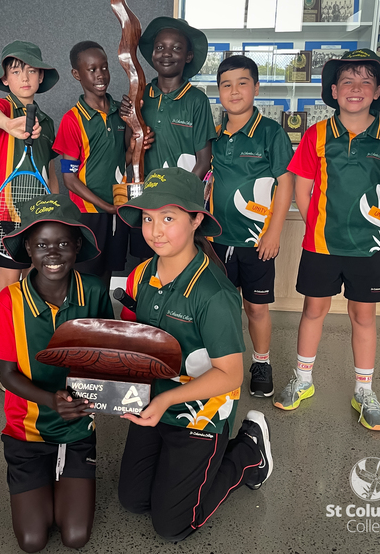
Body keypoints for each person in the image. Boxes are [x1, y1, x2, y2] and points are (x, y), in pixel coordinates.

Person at [116, 167, 273, 542]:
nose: (155, 230)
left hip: (200, 410)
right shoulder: (141, 274)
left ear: (196, 219)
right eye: (149, 218)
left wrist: (167, 398)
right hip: (156, 402)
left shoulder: (214, 294)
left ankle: (248, 451)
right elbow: (135, 341)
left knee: (171, 526)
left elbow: (231, 375)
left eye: (168, 218)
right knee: (133, 501)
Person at [273, 49, 380, 431]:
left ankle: (364, 390)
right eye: (348, 82)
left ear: (377, 91)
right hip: (321, 245)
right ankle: (303, 380)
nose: (356, 88)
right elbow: (302, 191)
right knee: (313, 311)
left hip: (368, 248)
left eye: (365, 82)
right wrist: (315, 227)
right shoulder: (316, 134)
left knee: (363, 316)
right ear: (334, 91)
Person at [0, 194, 114, 552]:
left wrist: (104, 396)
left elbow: (106, 360)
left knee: (75, 537)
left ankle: (65, 478)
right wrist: (52, 401)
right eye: (41, 244)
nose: (52, 254)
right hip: (25, 433)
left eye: (62, 244)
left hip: (77, 430)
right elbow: (6, 374)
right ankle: (43, 479)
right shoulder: (9, 301)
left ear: (77, 246)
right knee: (32, 541)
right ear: (28, 248)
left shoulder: (96, 292)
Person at [208, 55, 294, 398]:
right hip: (215, 238)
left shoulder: (271, 133)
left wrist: (274, 232)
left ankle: (261, 362)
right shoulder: (212, 134)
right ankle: (221, 363)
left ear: (256, 87)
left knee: (256, 307)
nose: (234, 91)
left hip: (256, 240)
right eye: (226, 85)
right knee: (220, 305)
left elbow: (285, 184)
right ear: (219, 92)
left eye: (242, 83)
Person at [0, 40, 60, 391]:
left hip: (39, 216)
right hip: (8, 214)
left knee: (31, 284)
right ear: (6, 80)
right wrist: (10, 125)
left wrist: (58, 206)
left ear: (41, 76)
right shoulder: (3, 108)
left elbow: (51, 169)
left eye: (31, 70)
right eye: (16, 71)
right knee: (6, 287)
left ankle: (23, 349)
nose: (24, 77)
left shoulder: (47, 121)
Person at [53, 41, 152, 287]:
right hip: (88, 215)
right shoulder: (72, 120)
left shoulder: (120, 112)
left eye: (105, 68)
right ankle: (82, 324)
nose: (100, 75)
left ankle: (101, 323)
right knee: (85, 277)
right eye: (92, 69)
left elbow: (126, 159)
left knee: (107, 272)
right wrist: (105, 207)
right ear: (77, 74)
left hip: (116, 208)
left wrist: (137, 140)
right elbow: (70, 179)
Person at [120, 17, 217, 260]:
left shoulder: (197, 100)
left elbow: (204, 161)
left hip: (180, 208)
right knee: (146, 266)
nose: (166, 53)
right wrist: (132, 126)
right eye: (160, 47)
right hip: (146, 204)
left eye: (176, 48)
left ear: (188, 56)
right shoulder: (140, 95)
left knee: (179, 264)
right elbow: (128, 153)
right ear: (152, 53)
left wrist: (177, 199)